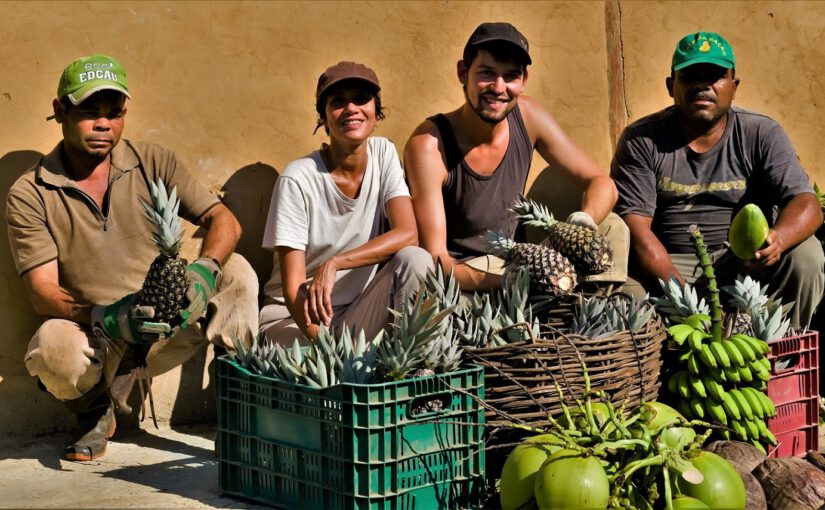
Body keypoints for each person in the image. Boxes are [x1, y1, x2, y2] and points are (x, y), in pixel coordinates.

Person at [5, 54, 259, 461]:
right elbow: (42, 292)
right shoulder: (30, 192)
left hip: (168, 326)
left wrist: (204, 271)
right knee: (52, 348)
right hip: (100, 336)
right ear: (60, 111)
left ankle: (240, 406)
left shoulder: (154, 161)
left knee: (238, 270)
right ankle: (94, 412)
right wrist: (109, 316)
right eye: (89, 111)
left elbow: (223, 219)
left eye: (115, 112)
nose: (104, 123)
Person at [612, 32, 824, 328]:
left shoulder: (760, 133)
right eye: (689, 76)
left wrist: (777, 241)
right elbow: (636, 227)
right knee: (621, 293)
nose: (702, 85)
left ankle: (781, 355)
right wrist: (683, 295)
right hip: (669, 262)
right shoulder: (643, 139)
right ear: (671, 85)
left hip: (743, 260)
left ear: (733, 86)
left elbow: (806, 203)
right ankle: (651, 371)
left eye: (715, 76)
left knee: (806, 256)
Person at [404, 22, 626, 293]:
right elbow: (437, 259)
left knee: (613, 227)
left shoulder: (529, 115)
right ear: (463, 73)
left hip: (521, 257)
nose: (499, 88)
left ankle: (588, 315)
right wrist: (510, 283)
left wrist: (583, 222)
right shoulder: (429, 144)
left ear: (524, 81)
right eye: (487, 73)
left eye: (510, 76)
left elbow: (601, 183)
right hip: (467, 276)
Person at [259, 61, 432, 345]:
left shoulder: (384, 154)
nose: (351, 108)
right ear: (323, 118)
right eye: (338, 101)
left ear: (376, 112)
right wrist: (329, 353)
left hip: (358, 312)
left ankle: (415, 367)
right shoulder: (297, 180)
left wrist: (335, 263)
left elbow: (408, 233)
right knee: (314, 373)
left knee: (416, 260)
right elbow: (293, 291)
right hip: (294, 320)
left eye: (361, 99)